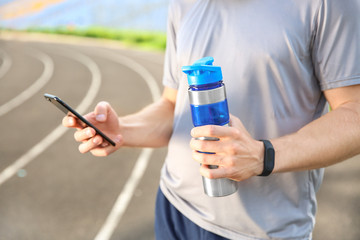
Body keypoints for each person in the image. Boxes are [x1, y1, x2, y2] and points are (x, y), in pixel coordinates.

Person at [63, 0, 360, 239]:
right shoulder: (183, 4)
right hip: (174, 207)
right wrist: (122, 129)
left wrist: (263, 155)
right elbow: (172, 105)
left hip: (260, 230)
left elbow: (354, 113)